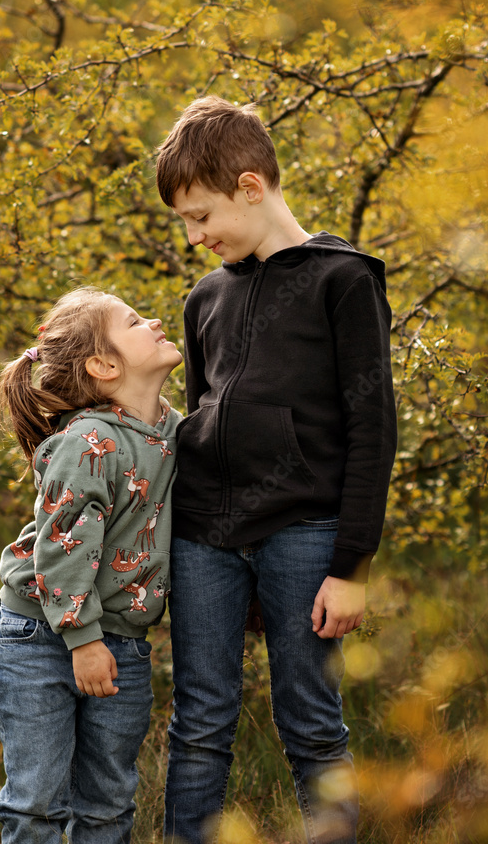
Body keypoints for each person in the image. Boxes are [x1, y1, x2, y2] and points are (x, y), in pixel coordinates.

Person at [155, 96, 398, 844]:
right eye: (185, 223)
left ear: (251, 187)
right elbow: (203, 413)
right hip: (204, 540)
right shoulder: (205, 296)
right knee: (199, 723)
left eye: (201, 216)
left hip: (304, 534)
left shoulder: (342, 280)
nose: (195, 237)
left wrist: (351, 567)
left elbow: (372, 430)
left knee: (311, 722)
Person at [0, 287, 183, 844]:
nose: (156, 321)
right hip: (43, 638)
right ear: (104, 365)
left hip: (124, 643)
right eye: (135, 321)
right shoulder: (88, 440)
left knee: (109, 803)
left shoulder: (174, 432)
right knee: (37, 803)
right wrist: (84, 639)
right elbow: (64, 545)